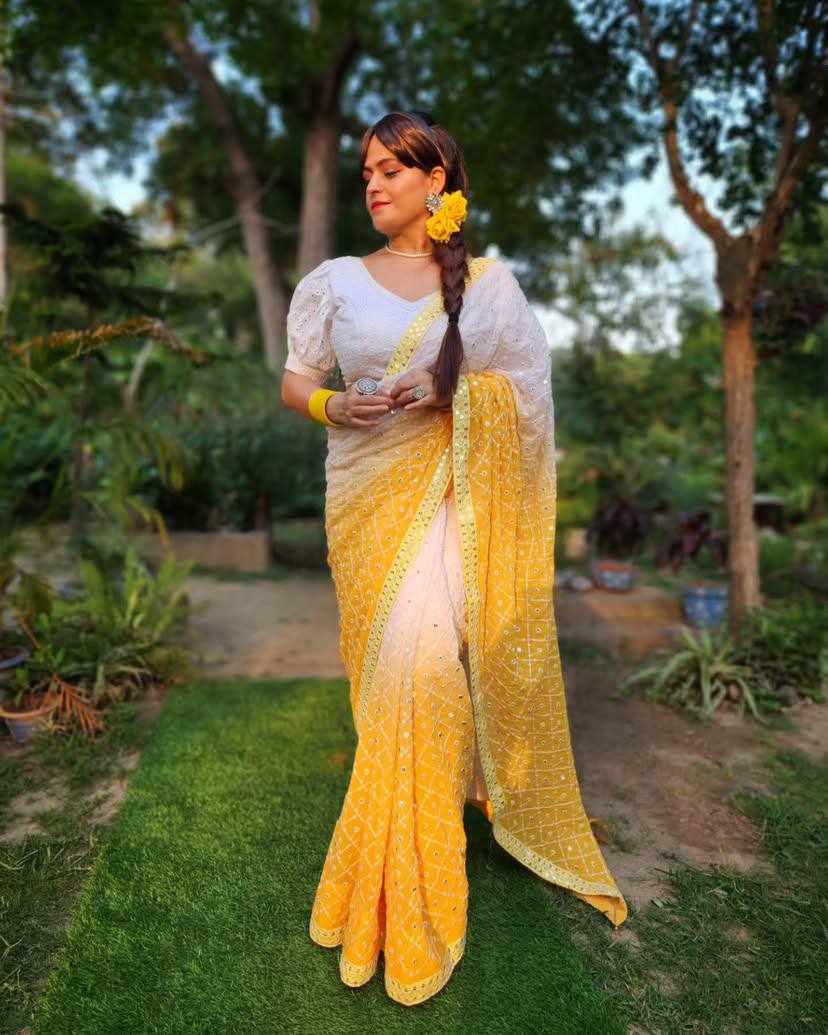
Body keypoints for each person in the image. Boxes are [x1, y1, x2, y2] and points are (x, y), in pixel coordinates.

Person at [281, 110, 628, 1007]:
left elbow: (526, 393)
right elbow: (295, 379)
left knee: (429, 675)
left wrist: (447, 390)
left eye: (391, 169)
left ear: (437, 182)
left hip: (446, 508)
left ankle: (419, 878)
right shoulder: (332, 281)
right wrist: (331, 406)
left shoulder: (487, 285)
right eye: (366, 171)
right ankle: (409, 839)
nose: (373, 184)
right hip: (366, 505)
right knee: (389, 682)